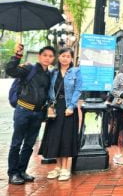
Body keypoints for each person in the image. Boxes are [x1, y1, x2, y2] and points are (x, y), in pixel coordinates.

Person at [6, 44, 55, 185]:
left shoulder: (49, 74)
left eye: (50, 56)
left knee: (29, 144)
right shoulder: (29, 68)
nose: (47, 58)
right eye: (44, 55)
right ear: (39, 56)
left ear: (53, 59)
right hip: (23, 111)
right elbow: (11, 71)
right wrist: (17, 56)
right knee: (16, 143)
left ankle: (22, 170)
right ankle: (13, 173)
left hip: (38, 113)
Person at [39, 48, 82, 181]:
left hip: (68, 107)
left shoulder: (76, 71)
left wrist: (71, 106)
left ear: (72, 59)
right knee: (55, 137)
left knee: (67, 137)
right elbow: (47, 89)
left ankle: (65, 168)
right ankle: (58, 167)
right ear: (59, 57)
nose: (65, 58)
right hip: (55, 108)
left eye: (68, 56)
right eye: (63, 56)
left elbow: (78, 89)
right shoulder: (53, 72)